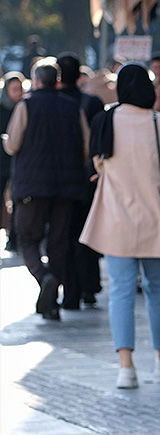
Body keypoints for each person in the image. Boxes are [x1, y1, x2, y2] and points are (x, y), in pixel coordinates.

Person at [80, 64, 160, 389]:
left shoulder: (105, 120)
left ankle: (125, 367)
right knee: (159, 288)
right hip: (155, 215)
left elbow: (97, 162)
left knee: (121, 292)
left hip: (116, 218)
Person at [3, 60, 90, 320]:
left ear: (37, 81)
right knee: (58, 243)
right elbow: (86, 148)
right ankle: (51, 300)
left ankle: (44, 278)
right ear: (58, 81)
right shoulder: (73, 107)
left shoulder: (26, 105)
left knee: (27, 239)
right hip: (66, 187)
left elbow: (13, 144)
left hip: (31, 185)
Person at [58, 53, 105, 310]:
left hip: (61, 181)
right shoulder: (92, 103)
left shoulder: (52, 103)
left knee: (65, 236)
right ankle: (89, 287)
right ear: (79, 76)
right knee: (88, 234)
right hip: (88, 178)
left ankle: (71, 292)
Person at [0, 72, 25, 252]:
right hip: (2, 162)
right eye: (14, 89)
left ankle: (14, 238)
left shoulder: (24, 108)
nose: (18, 93)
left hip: (19, 162)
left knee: (17, 200)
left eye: (20, 89)